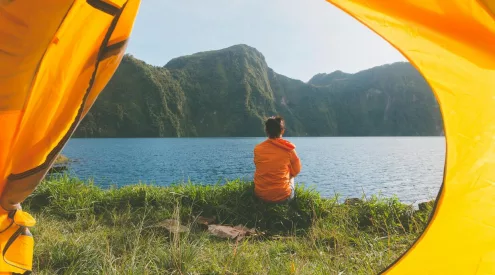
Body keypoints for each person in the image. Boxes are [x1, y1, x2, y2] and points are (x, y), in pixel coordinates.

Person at [253, 116, 302, 203]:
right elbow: (297, 170)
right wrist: (289, 175)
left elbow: (258, 165)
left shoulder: (258, 149)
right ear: (282, 130)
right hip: (283, 198)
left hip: (260, 195)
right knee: (291, 176)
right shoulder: (289, 149)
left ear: (266, 131)